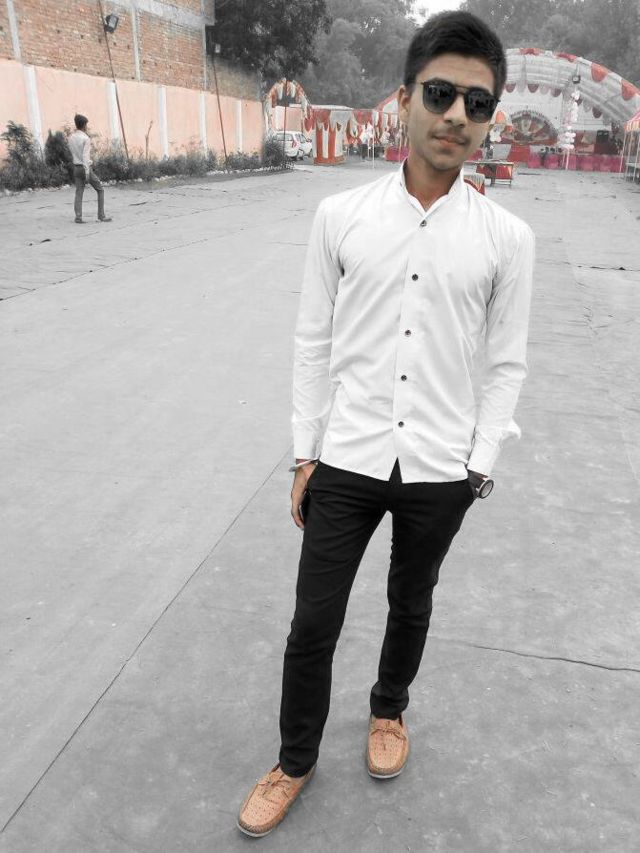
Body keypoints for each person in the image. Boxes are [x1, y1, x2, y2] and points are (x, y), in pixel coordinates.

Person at [237, 10, 535, 838]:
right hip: (348, 455)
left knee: (412, 601)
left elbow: (506, 363)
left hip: (441, 465)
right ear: (404, 98)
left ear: (491, 118)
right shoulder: (341, 216)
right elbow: (312, 340)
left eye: (478, 103)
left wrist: (479, 463)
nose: (457, 116)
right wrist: (305, 452)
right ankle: (294, 760)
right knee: (313, 622)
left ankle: (389, 711)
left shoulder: (507, 238)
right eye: (440, 94)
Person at [68, 114, 111, 224]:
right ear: (84, 125)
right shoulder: (85, 139)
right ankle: (101, 216)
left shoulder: (71, 138)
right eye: (86, 124)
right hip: (84, 168)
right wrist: (87, 172)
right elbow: (85, 157)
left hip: (76, 167)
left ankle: (78, 217)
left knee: (79, 192)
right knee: (100, 189)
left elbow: (74, 153)